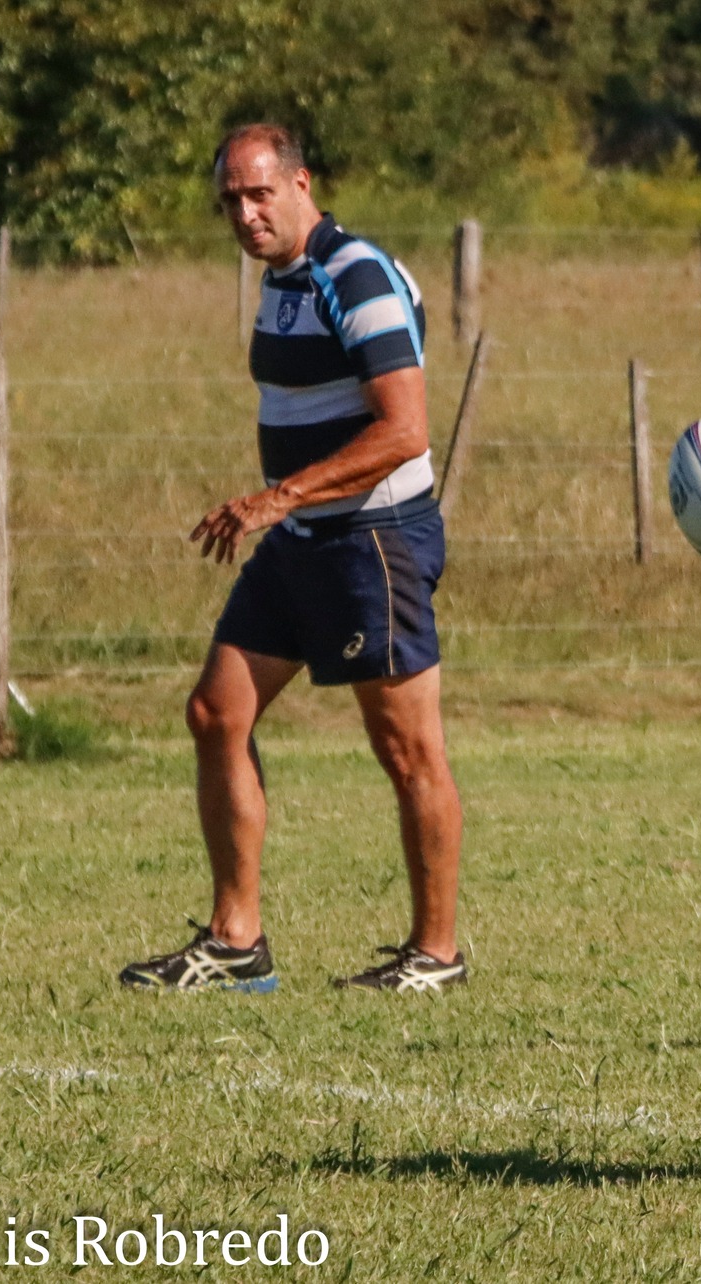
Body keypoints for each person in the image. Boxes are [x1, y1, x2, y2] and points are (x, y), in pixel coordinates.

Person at [119, 123, 467, 995]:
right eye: (230, 199)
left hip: (372, 541)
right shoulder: (282, 282)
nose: (244, 213)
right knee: (215, 713)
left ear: (301, 181)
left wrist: (276, 497)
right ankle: (237, 943)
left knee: (407, 750)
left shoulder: (356, 275)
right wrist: (285, 511)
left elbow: (405, 430)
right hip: (303, 540)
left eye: (259, 193)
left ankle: (437, 955)